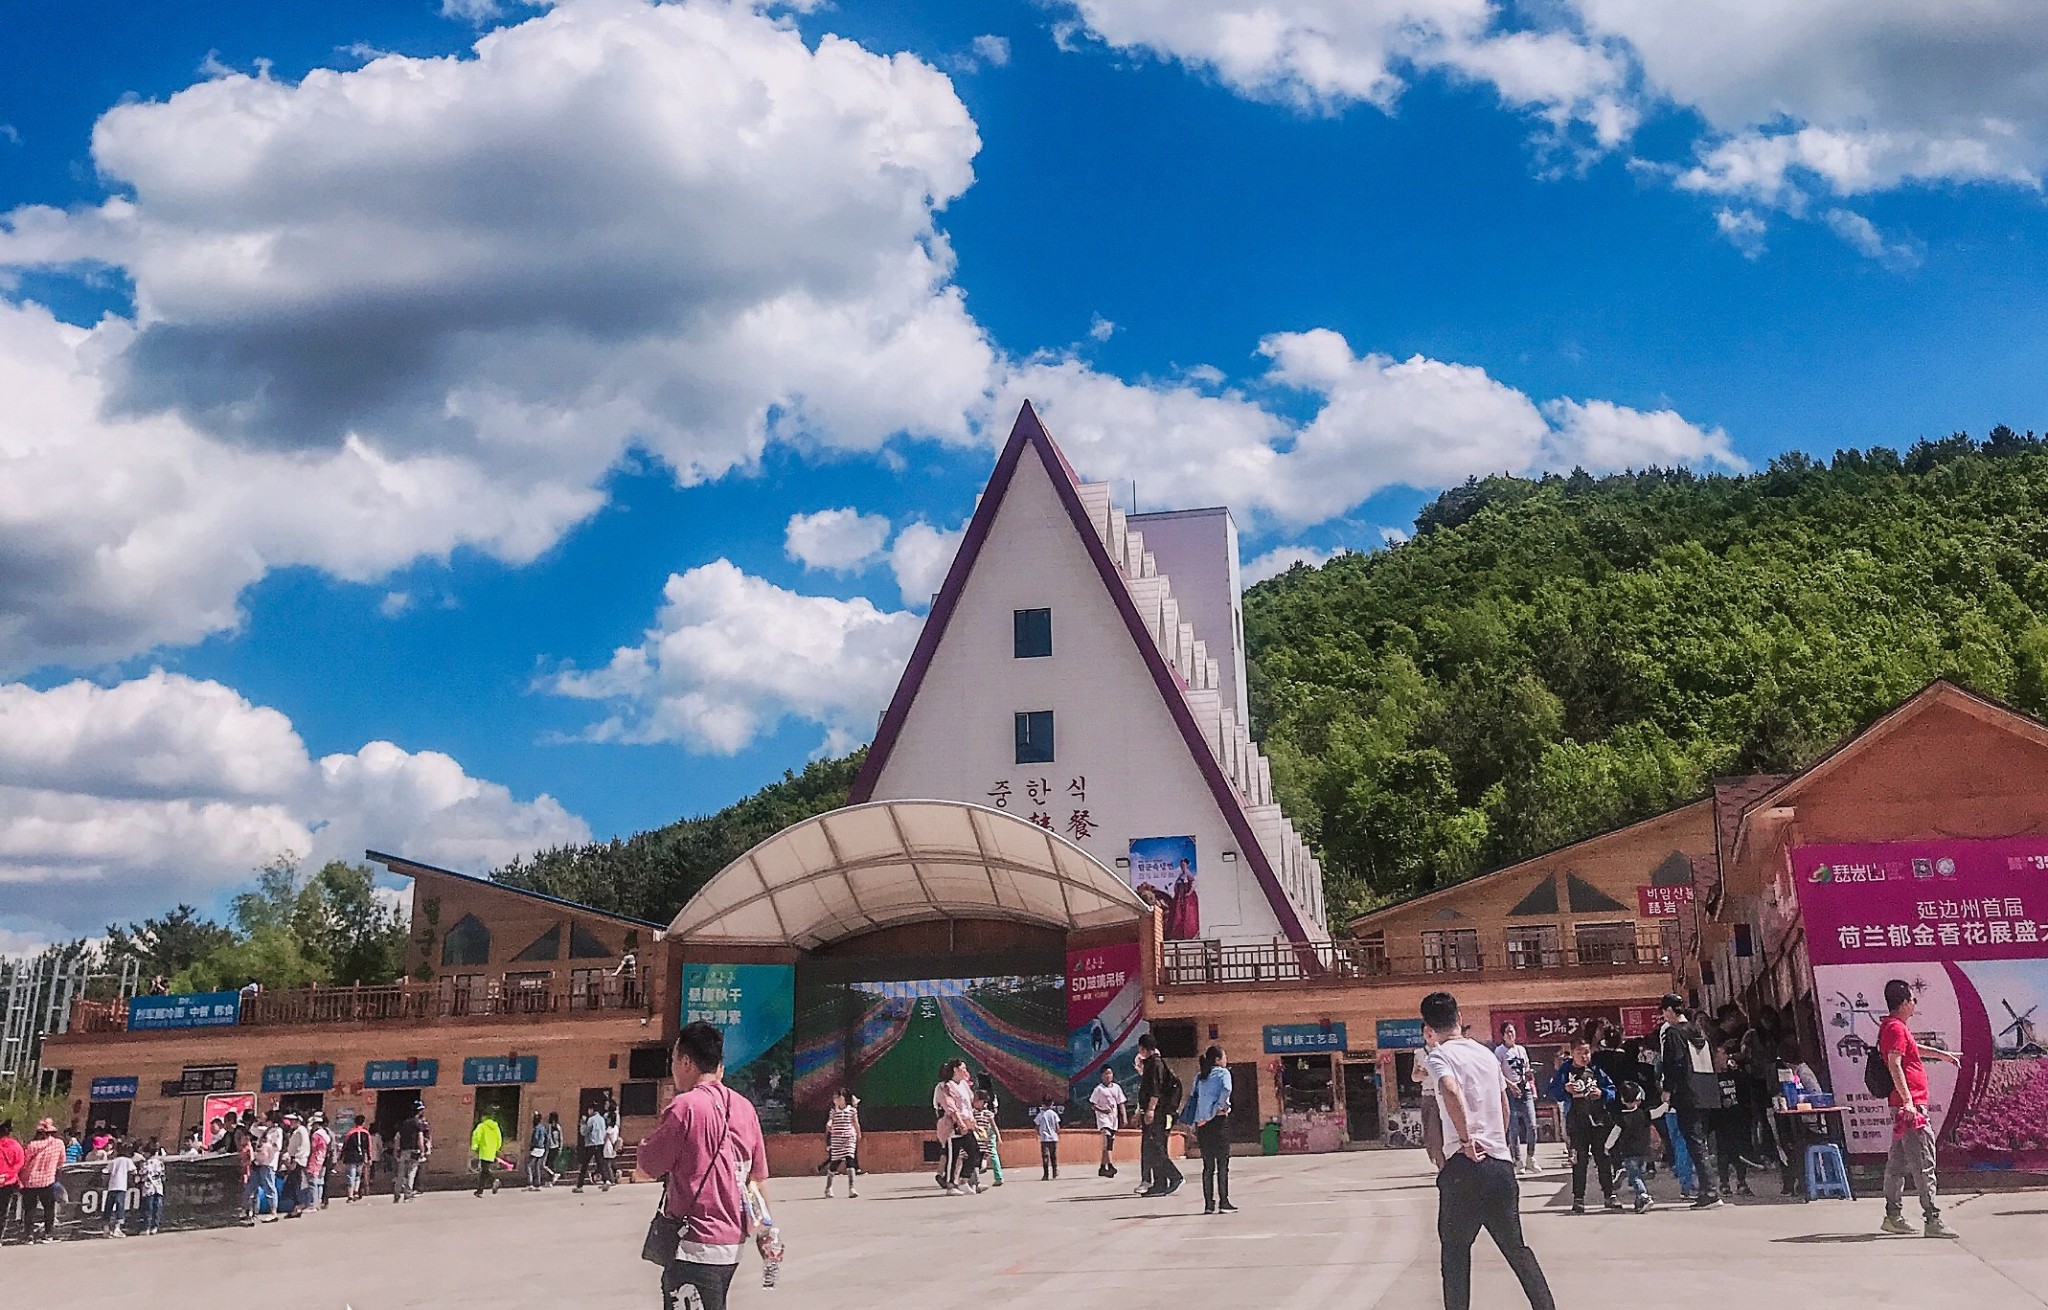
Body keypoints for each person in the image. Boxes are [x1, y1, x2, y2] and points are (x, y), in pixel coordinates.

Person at [1420, 992, 1555, 1310]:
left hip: (1464, 1167)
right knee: (1517, 1249)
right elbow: (1505, 1104)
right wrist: (1501, 1145)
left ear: (1429, 1026)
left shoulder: (1440, 1056)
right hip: (1499, 1166)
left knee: (1455, 1254)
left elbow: (1450, 1090)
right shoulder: (1486, 1056)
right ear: (1459, 1016)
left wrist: (1466, 1140)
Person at [639, 1021, 773, 1310]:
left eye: (673, 1060)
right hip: (732, 1247)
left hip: (695, 1246)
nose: (673, 1067)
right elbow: (756, 1180)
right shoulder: (744, 1108)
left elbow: (648, 1166)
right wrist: (764, 1233)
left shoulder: (685, 1107)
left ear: (686, 1062)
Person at [1878, 978, 1961, 1238]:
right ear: (1903, 1003)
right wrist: (1908, 1102)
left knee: (1898, 1162)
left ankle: (1893, 1215)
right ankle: (1932, 1218)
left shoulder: (1896, 1028)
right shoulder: (1895, 1028)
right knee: (1924, 1161)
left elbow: (1913, 1050)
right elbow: (1895, 1063)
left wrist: (1942, 1055)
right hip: (1910, 1107)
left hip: (1904, 1105)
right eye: (1912, 999)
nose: (1914, 1003)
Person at [1657, 993, 1723, 1209]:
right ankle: (1710, 1188)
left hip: (1687, 1094)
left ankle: (1710, 1191)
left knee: (1694, 1143)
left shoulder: (1673, 1033)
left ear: (1669, 1010)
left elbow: (1673, 1063)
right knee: (1701, 1142)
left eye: (1664, 1011)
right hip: (1707, 1091)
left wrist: (1667, 1090)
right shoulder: (1698, 1031)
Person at [1548, 1035, 1618, 1214]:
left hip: (1598, 1121)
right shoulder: (1565, 1070)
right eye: (1579, 1053)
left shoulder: (1596, 1069)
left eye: (1587, 1052)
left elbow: (1611, 1089)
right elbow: (1553, 1092)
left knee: (1603, 1159)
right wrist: (1565, 1089)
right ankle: (1578, 1198)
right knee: (1580, 1161)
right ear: (1572, 1053)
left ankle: (1609, 1195)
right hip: (1577, 1123)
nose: (1584, 1056)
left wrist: (1601, 1093)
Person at [1136, 1034, 1184, 1197]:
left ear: (1143, 1048)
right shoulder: (1151, 1063)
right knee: (1153, 1147)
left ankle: (1174, 1176)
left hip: (1158, 1113)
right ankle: (1160, 1183)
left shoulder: (1155, 1064)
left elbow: (1155, 1091)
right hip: (1155, 1112)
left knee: (1154, 1147)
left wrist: (1150, 1110)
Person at [1190, 1043, 1235, 1215]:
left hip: (1203, 1125)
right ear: (1217, 1059)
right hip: (1218, 1121)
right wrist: (1220, 1106)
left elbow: (1194, 1098)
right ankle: (1224, 1201)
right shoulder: (1223, 1073)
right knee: (1222, 1164)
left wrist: (1199, 1120)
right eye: (1224, 1057)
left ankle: (1209, 1204)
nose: (1226, 1060)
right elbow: (1227, 1089)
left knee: (1208, 1166)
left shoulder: (1200, 1076)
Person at [1605, 1081, 1658, 1214]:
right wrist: (1667, 1104)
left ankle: (1643, 1195)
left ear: (1622, 1099)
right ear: (1639, 1098)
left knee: (1635, 1177)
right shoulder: (1645, 1114)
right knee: (1638, 1174)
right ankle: (1638, 1201)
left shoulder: (1622, 1118)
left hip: (1629, 1152)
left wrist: (1607, 1147)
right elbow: (1658, 1112)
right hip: (1643, 1151)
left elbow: (1614, 1134)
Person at [1494, 1022, 1538, 1175]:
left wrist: (1528, 1077)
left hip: (1524, 1090)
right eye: (1507, 1032)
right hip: (1509, 1092)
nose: (1510, 1035)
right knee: (1513, 1128)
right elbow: (1497, 1073)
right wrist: (1511, 1085)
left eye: (1512, 1031)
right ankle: (1517, 1160)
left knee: (1532, 1125)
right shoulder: (1499, 1052)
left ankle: (1530, 1157)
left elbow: (1526, 1067)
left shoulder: (1521, 1050)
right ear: (1502, 1035)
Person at [932, 1060, 980, 1194]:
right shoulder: (945, 1086)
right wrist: (960, 1122)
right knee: (952, 1155)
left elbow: (969, 1103)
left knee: (975, 1151)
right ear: (955, 1070)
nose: (965, 1071)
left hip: (967, 1122)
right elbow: (950, 1107)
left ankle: (964, 1179)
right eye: (963, 1068)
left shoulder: (964, 1084)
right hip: (953, 1126)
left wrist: (972, 1119)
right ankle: (950, 1186)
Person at [18, 1119, 65, 1244]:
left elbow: (24, 1162)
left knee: (29, 1210)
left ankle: (29, 1235)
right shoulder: (59, 1144)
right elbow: (61, 1161)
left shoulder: (31, 1145)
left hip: (30, 1181)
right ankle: (48, 1234)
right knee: (49, 1209)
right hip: (48, 1180)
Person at [1089, 1063, 1127, 1179]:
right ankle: (1110, 1165)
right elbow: (1093, 1104)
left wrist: (1124, 1117)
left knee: (1109, 1144)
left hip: (1113, 1120)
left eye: (1110, 1073)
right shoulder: (1099, 1089)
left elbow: (1121, 1103)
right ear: (1102, 1076)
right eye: (1106, 1074)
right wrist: (1102, 1110)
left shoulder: (1116, 1088)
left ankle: (1102, 1167)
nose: (1108, 1076)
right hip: (1103, 1120)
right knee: (1107, 1140)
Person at [823, 1089, 860, 1198]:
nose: (836, 1100)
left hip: (849, 1138)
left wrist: (858, 1134)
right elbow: (830, 1121)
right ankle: (828, 1188)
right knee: (835, 1163)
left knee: (850, 1160)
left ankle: (851, 1188)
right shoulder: (834, 1111)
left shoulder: (852, 1111)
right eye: (834, 1098)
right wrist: (829, 1125)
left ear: (843, 1098)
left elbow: (856, 1123)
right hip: (837, 1140)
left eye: (838, 1098)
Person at [394, 1101, 431, 1203]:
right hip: (414, 1151)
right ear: (419, 1111)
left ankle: (397, 1194)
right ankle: (407, 1195)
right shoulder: (418, 1124)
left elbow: (398, 1138)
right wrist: (422, 1150)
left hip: (404, 1151)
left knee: (400, 1173)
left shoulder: (404, 1123)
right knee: (411, 1173)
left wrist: (397, 1150)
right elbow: (420, 1137)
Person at [250, 1113, 283, 1223]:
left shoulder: (277, 1131)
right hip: (259, 1161)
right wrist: (257, 1122)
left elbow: (277, 1146)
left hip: (269, 1162)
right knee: (253, 1186)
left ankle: (273, 1211)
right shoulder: (265, 1130)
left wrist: (267, 1145)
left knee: (269, 1186)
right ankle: (252, 1211)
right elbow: (253, 1130)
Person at [575, 1101, 610, 1192]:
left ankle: (580, 1185)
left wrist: (582, 1123)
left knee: (585, 1165)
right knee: (600, 1162)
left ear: (591, 1110)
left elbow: (584, 1132)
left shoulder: (591, 1120)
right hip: (600, 1143)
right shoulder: (602, 1119)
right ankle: (606, 1180)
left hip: (591, 1144)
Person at [104, 1139, 136, 1235]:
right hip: (121, 1186)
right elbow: (134, 1171)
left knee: (109, 1207)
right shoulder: (127, 1161)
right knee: (120, 1206)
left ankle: (107, 1228)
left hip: (112, 1186)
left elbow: (105, 1171)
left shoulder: (113, 1161)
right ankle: (117, 1228)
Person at [340, 1114, 373, 1201]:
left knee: (351, 1175)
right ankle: (356, 1191)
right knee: (358, 1175)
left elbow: (344, 1145)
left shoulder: (350, 1133)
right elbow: (369, 1146)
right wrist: (369, 1158)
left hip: (350, 1156)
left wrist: (341, 1156)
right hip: (360, 1156)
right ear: (363, 1122)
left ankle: (350, 1195)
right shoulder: (366, 1133)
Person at [138, 1140, 167, 1235]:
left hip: (151, 1188)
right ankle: (152, 1226)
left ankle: (149, 1226)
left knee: (150, 1208)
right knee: (154, 1208)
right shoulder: (158, 1163)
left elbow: (142, 1174)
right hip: (155, 1188)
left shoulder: (147, 1164)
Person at [1033, 1097, 1063, 1180]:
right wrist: (1058, 1133)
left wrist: (1038, 1134)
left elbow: (1037, 1126)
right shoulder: (1053, 1114)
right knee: (1053, 1156)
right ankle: (1055, 1172)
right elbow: (1057, 1126)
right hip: (1053, 1137)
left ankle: (1046, 1174)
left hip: (1044, 1138)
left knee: (1045, 1156)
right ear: (1051, 1104)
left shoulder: (1040, 1115)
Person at [308, 1112, 332, 1209]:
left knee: (313, 1181)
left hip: (315, 1159)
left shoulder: (316, 1135)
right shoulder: (326, 1133)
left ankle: (314, 1203)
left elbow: (312, 1147)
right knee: (320, 1181)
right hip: (324, 1159)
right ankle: (318, 1201)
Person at [527, 1112, 552, 1190]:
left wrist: (532, 1147)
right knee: (537, 1166)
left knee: (528, 1165)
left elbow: (536, 1139)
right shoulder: (543, 1127)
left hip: (536, 1148)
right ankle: (538, 1183)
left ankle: (530, 1183)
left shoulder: (536, 1128)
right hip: (542, 1149)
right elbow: (547, 1138)